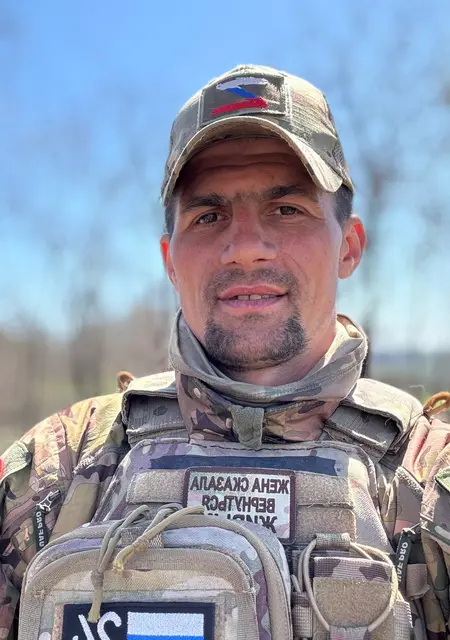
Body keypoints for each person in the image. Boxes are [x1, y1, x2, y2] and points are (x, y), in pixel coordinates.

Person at [1, 64, 449, 639]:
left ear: (349, 247)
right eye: (209, 216)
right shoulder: (57, 471)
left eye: (287, 210)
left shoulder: (429, 484)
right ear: (170, 260)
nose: (245, 249)